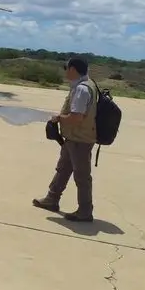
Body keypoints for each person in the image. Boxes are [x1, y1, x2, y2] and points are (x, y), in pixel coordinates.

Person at [32, 57, 99, 222]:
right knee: (63, 169)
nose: (65, 71)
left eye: (67, 68)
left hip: (80, 139)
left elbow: (77, 117)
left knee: (82, 176)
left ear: (73, 70)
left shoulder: (82, 90)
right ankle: (52, 199)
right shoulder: (86, 85)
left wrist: (58, 119)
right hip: (73, 138)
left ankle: (85, 211)